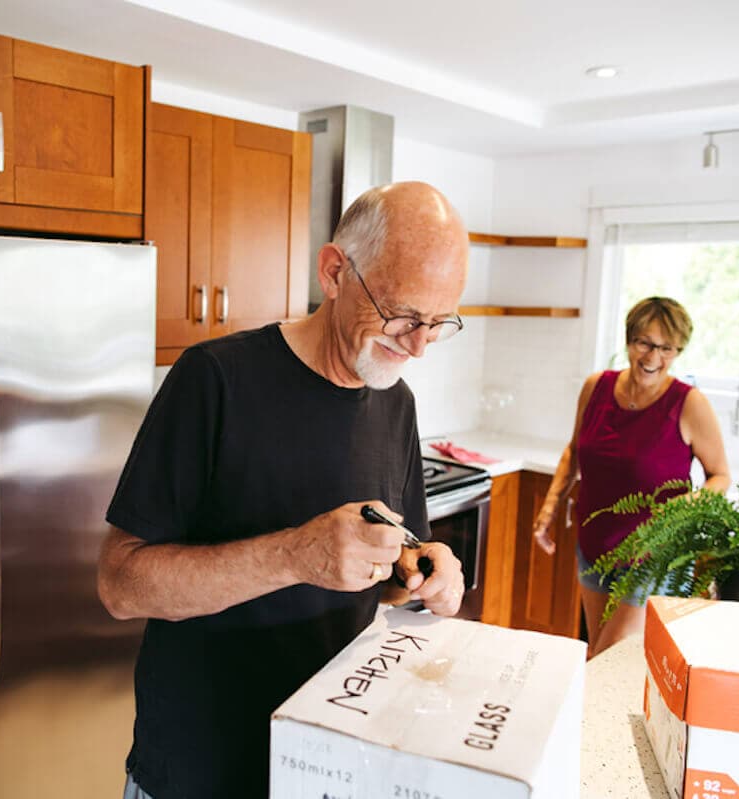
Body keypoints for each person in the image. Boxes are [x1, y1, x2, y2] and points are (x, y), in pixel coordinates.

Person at [97, 182, 470, 799]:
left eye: (437, 323)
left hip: (324, 764)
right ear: (334, 271)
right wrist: (295, 554)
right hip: (198, 771)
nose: (419, 345)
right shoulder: (216, 379)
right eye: (403, 315)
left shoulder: (396, 402)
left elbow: (394, 566)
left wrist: (424, 574)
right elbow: (119, 586)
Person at [533, 296, 730, 659]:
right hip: (594, 546)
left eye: (666, 347)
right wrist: (550, 507)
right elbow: (574, 450)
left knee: (606, 659)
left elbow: (720, 476)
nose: (653, 357)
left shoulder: (688, 404)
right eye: (644, 343)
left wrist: (684, 510)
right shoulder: (597, 388)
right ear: (628, 340)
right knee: (602, 656)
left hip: (654, 556)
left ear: (678, 350)